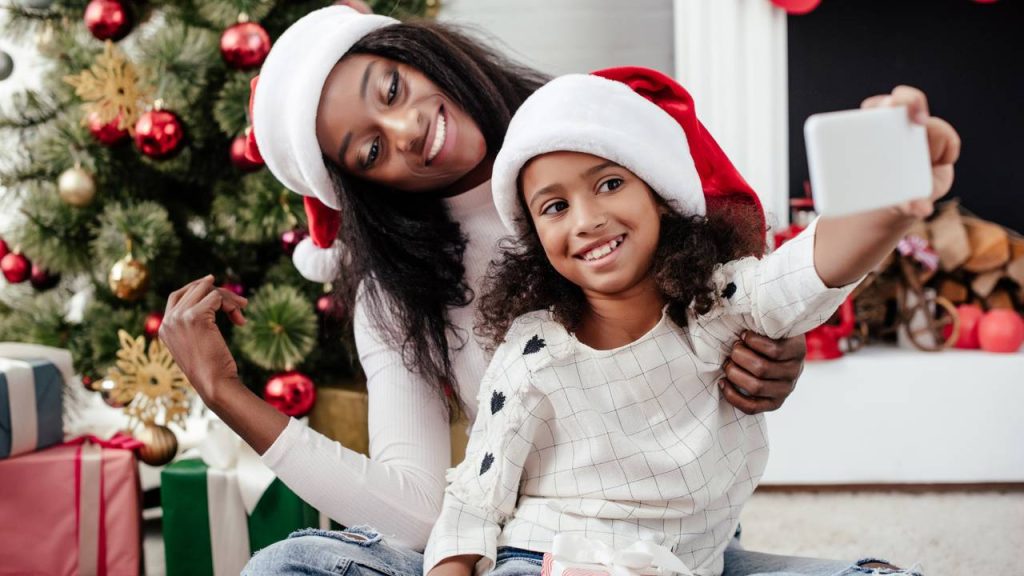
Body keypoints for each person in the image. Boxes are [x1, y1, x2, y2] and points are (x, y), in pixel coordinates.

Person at [153, 5, 947, 575]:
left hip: (679, 533)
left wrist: (891, 191)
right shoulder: (489, 334)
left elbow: (779, 282)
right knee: (289, 567)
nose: (405, 131)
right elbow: (436, 512)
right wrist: (229, 396)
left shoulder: (608, 128)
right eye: (368, 151)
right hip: (525, 541)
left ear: (415, 52)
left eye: (389, 89)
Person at [420, 66, 956, 576]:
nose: (586, 220)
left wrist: (886, 204)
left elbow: (804, 275)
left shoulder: (719, 303)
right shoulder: (534, 352)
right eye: (555, 207)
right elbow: (475, 500)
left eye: (609, 184)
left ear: (659, 195)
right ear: (536, 237)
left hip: (687, 563)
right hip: (547, 557)